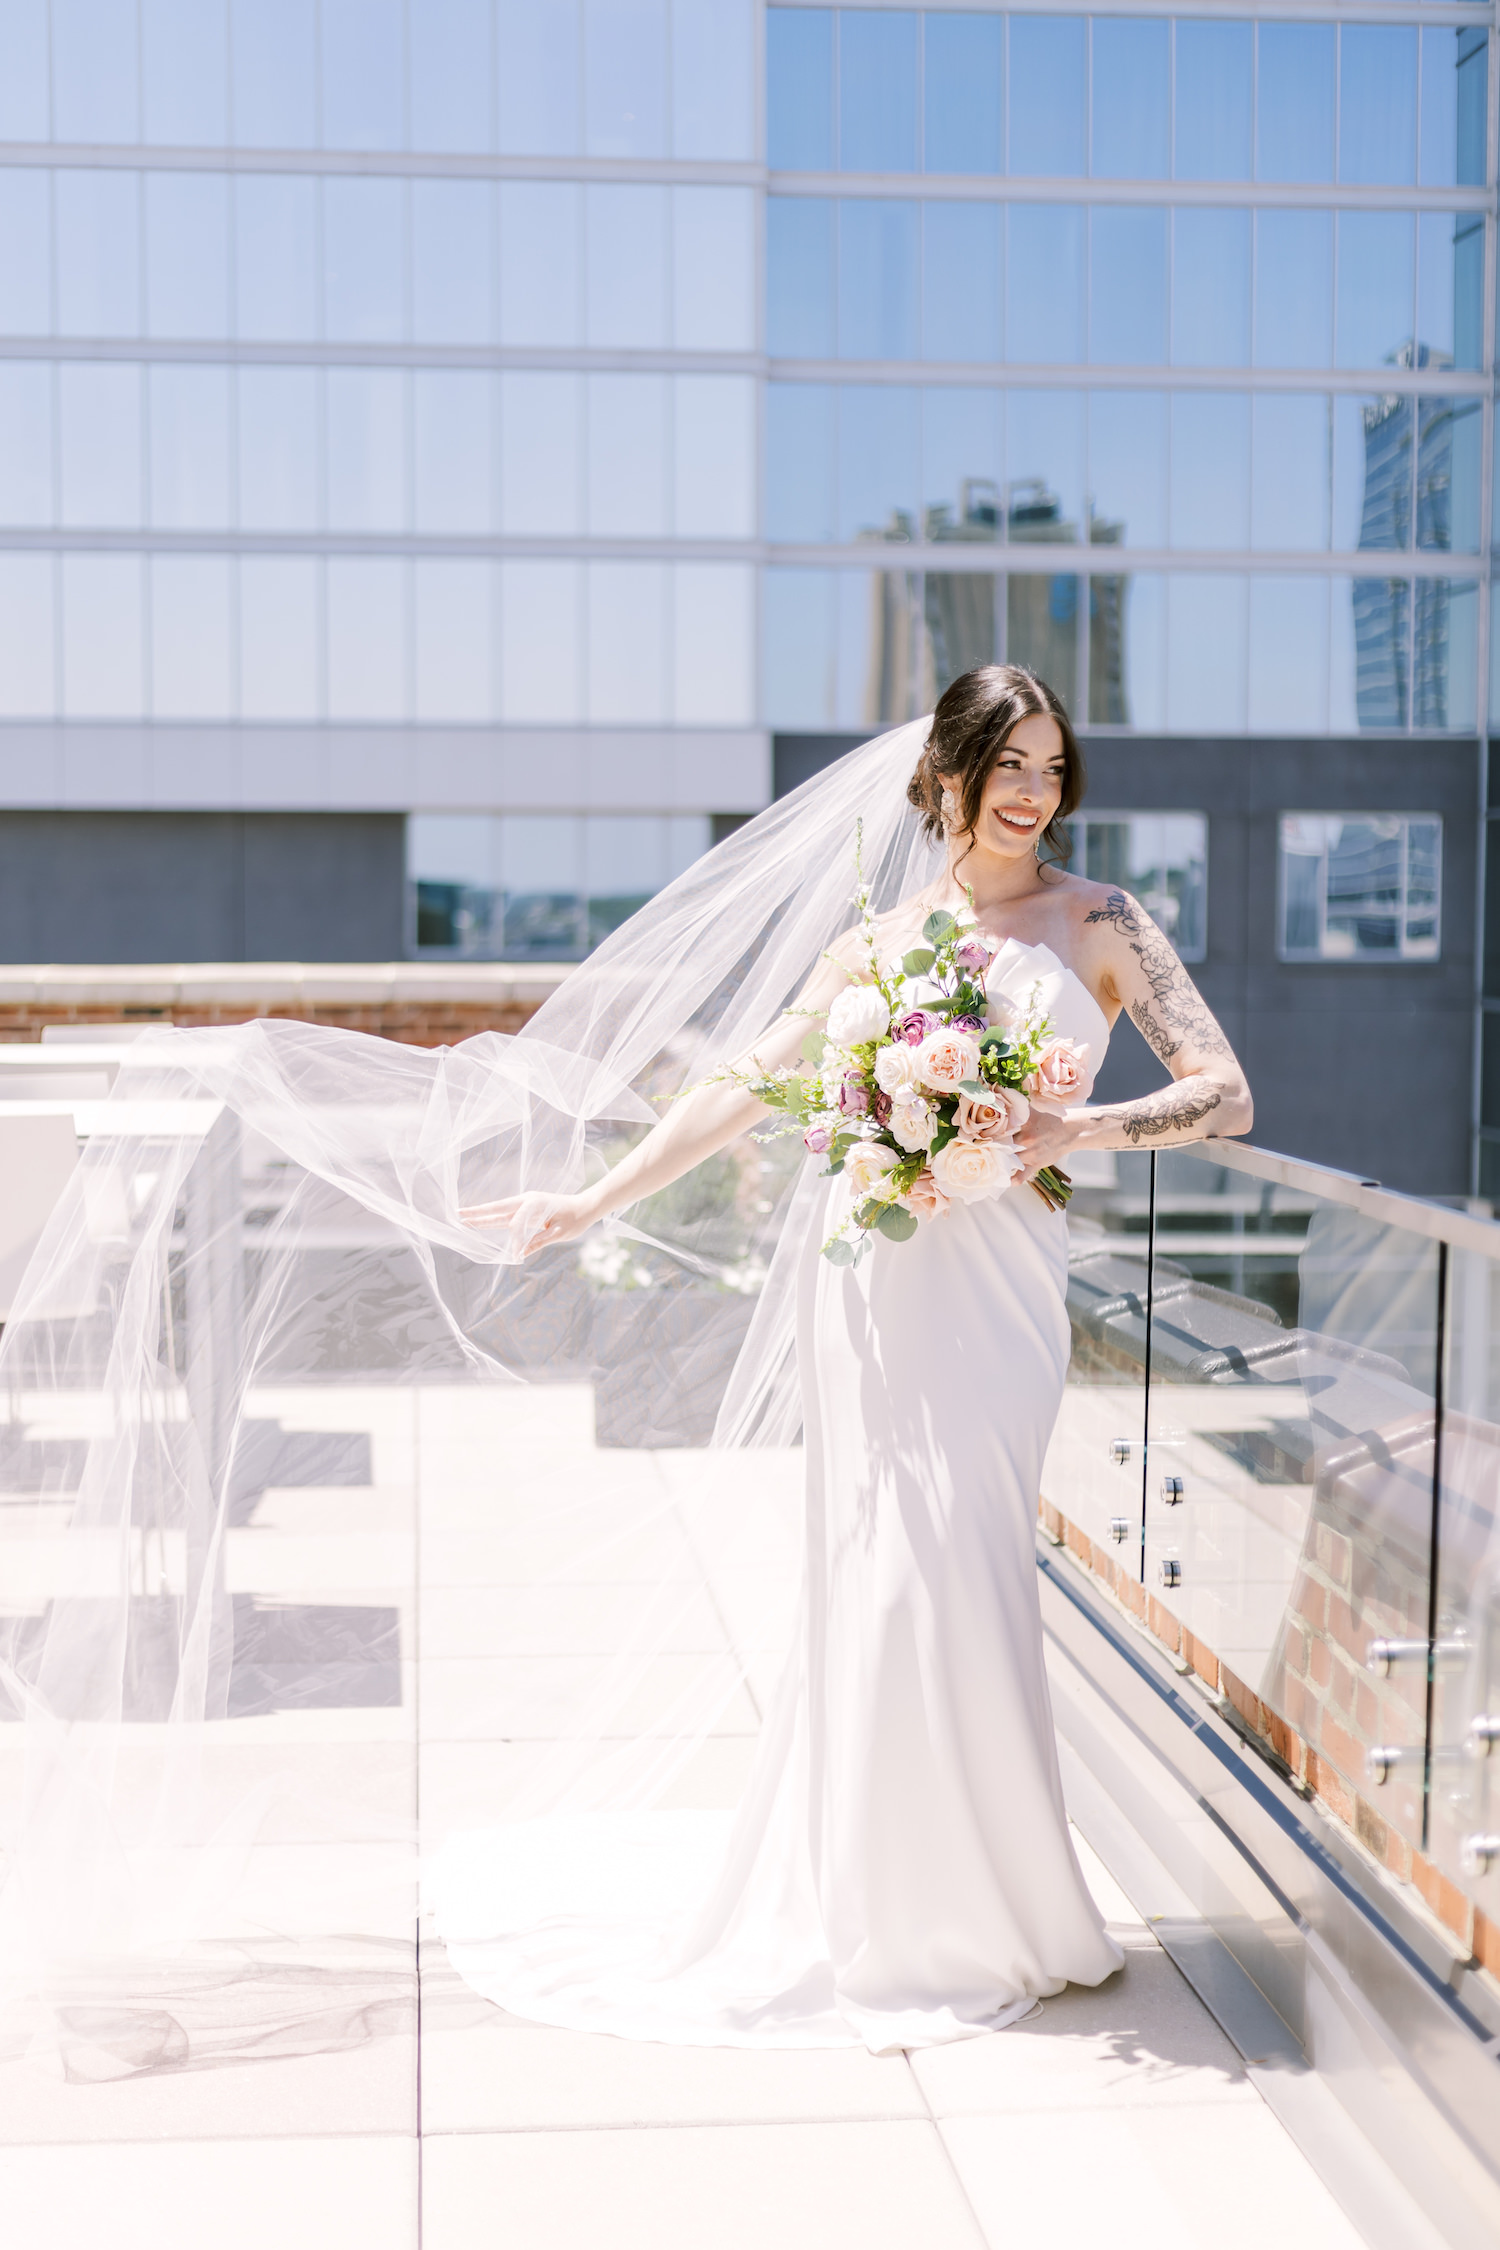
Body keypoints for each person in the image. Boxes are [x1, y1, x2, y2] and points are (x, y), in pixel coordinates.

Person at [445, 663, 1253, 2052]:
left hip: (1002, 1299)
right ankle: (884, 1902)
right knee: (878, 1577)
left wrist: (1079, 1133)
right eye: (1009, 765)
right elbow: (743, 1082)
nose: (1033, 795)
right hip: (876, 1285)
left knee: (964, 1566)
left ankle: (993, 1896)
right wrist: (591, 1197)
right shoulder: (879, 944)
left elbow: (1226, 1094)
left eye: (1053, 769)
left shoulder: (1102, 921)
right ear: (948, 772)